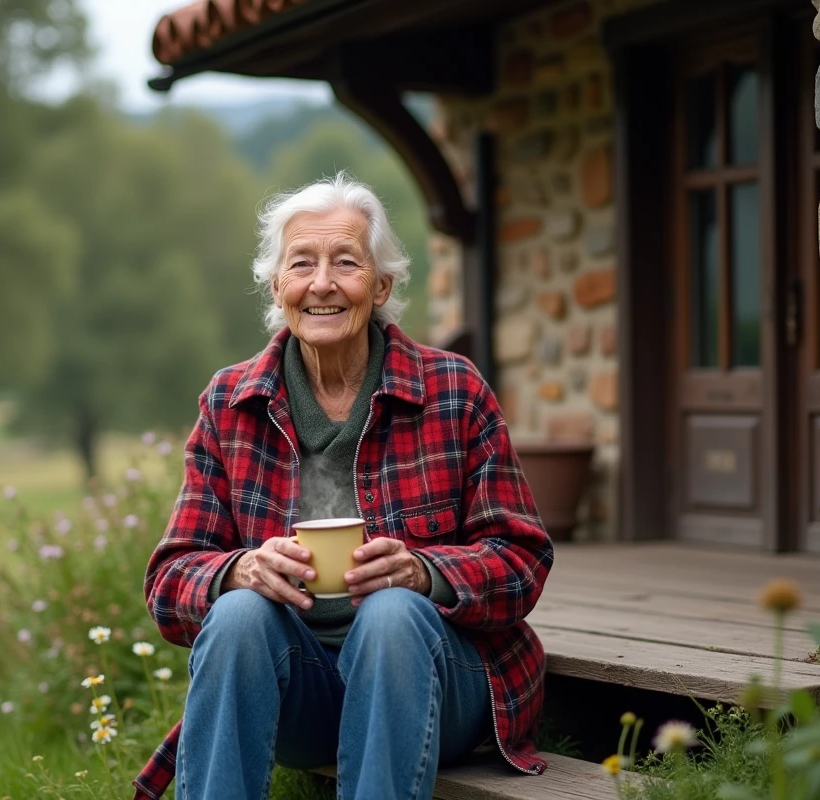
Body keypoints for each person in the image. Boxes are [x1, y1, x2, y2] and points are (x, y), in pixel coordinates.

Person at [132, 173, 554, 800]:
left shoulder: (453, 390)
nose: (322, 283)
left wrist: (423, 573)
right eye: (302, 263)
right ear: (278, 285)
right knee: (241, 613)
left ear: (381, 286)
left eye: (347, 263)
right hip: (297, 687)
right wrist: (236, 572)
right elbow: (170, 584)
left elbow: (522, 563)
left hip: (436, 676)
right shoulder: (231, 401)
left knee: (390, 614)